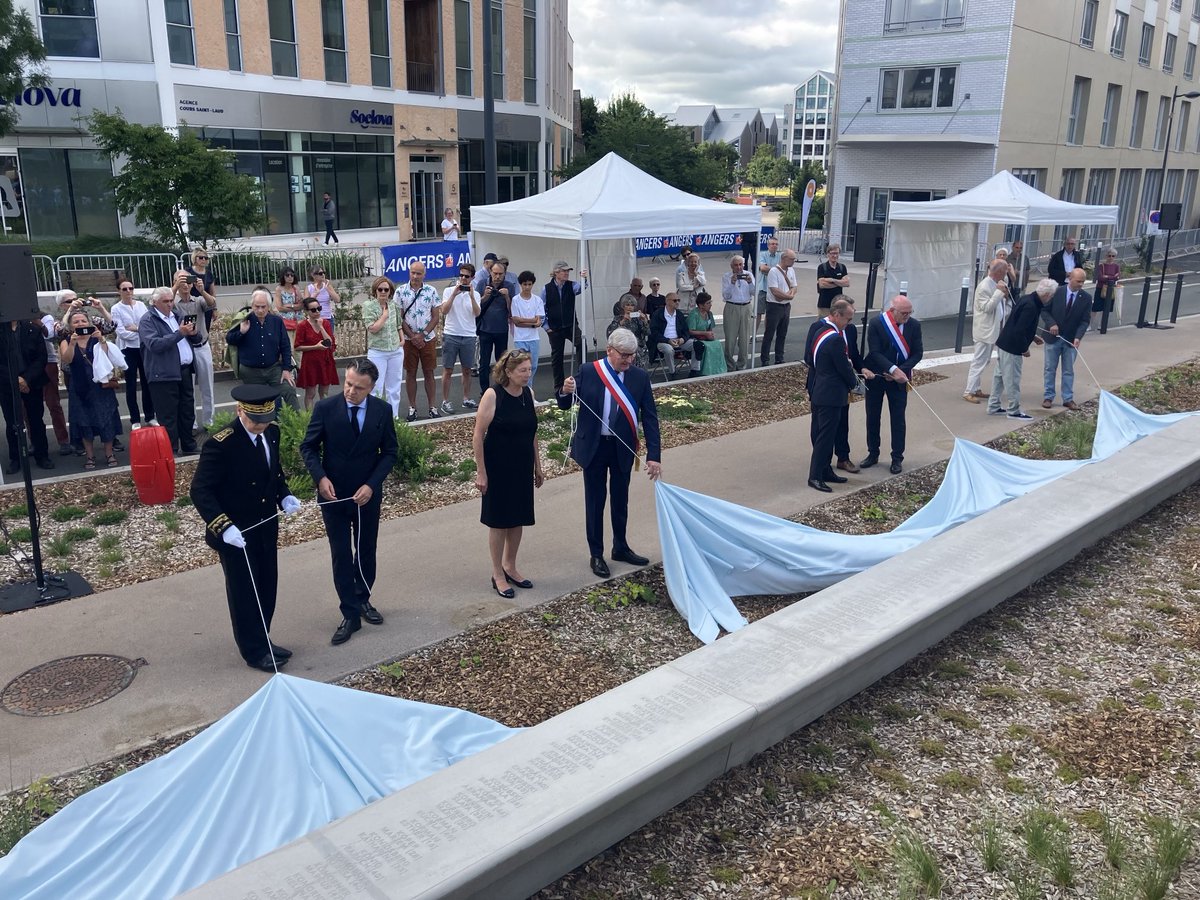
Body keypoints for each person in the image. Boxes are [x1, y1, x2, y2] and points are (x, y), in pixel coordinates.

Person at [191, 384, 303, 671]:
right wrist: (223, 526)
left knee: (267, 585)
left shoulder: (271, 433)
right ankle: (253, 651)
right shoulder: (221, 443)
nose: (261, 428)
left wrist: (284, 495)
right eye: (256, 422)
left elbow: (273, 473)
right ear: (240, 412)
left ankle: (262, 637)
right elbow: (200, 490)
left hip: (265, 525)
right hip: (236, 533)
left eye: (265, 422)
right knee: (244, 592)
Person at [301, 360, 399, 646]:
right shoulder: (325, 408)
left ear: (371, 388)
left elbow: (390, 452)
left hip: (366, 494)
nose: (351, 391)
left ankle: (363, 597)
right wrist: (320, 478)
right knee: (341, 553)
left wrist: (372, 484)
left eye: (359, 387)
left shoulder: (382, 411)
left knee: (366, 549)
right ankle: (349, 612)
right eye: (348, 384)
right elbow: (308, 446)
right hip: (334, 495)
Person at [557, 328, 662, 578]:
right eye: (623, 355)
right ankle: (596, 554)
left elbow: (649, 417)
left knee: (620, 499)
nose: (628, 360)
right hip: (594, 445)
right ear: (609, 351)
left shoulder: (639, 377)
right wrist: (565, 389)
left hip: (622, 447)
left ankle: (621, 547)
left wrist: (654, 455)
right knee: (595, 502)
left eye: (631, 355)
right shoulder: (589, 371)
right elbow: (564, 404)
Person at [473, 349, 544, 598]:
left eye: (529, 369)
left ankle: (510, 565)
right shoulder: (493, 395)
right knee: (499, 521)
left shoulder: (528, 393)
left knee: (518, 517)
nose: (527, 374)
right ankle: (497, 573)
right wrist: (481, 472)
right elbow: (477, 435)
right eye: (522, 370)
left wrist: (538, 464)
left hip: (522, 465)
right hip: (498, 467)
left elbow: (532, 431)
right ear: (508, 371)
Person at [804, 296, 871, 475]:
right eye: (848, 318)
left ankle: (839, 459)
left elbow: (853, 355)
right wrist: (851, 379)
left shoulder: (845, 330)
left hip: (836, 388)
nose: (849, 322)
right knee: (821, 430)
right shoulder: (822, 330)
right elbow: (810, 358)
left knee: (839, 424)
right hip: (825, 385)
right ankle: (820, 468)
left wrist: (860, 368)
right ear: (836, 313)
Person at [862, 296, 924, 475]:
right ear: (892, 311)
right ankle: (873, 453)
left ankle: (897, 457)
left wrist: (899, 372)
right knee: (873, 416)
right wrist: (891, 369)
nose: (907, 316)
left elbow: (917, 353)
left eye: (909, 313)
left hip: (899, 379)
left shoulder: (914, 326)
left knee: (898, 419)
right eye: (903, 313)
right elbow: (874, 352)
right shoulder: (877, 323)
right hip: (877, 376)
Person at [58, 310, 120, 470]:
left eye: (83, 321)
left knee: (106, 420)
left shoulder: (96, 338)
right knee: (84, 423)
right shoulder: (66, 340)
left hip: (100, 386)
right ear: (71, 325)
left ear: (89, 322)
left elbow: (108, 356)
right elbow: (66, 360)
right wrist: (72, 343)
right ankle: (90, 456)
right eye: (76, 321)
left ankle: (109, 453)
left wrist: (101, 339)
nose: (80, 324)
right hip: (80, 386)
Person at [141, 286, 198, 455]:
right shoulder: (147, 320)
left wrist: (193, 333)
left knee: (187, 411)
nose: (170, 304)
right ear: (155, 302)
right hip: (163, 374)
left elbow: (196, 338)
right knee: (168, 416)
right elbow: (155, 345)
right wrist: (179, 333)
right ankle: (170, 450)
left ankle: (189, 446)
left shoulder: (178, 315)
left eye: (171, 300)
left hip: (184, 371)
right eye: (165, 301)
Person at [227, 288, 300, 411]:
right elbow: (229, 339)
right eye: (257, 306)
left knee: (289, 391)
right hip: (251, 371)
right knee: (257, 404)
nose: (260, 310)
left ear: (268, 306)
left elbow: (285, 346)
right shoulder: (244, 319)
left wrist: (286, 369)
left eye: (263, 307)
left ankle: (297, 426)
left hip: (273, 369)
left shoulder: (276, 321)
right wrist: (241, 332)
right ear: (252, 306)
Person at [991, 278, 1054, 419]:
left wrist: (1033, 337)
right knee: (1012, 378)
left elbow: (1019, 322)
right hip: (1013, 346)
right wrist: (1024, 348)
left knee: (1000, 376)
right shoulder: (1032, 306)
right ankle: (1014, 410)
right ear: (1047, 295)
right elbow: (1020, 329)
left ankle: (994, 405)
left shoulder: (1027, 299)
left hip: (1004, 342)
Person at [0, 319, 54, 472]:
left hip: (32, 383)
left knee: (36, 420)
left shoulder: (32, 329)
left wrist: (26, 379)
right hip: (6, 384)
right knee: (12, 422)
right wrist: (14, 379)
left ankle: (42, 455)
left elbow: (41, 357)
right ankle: (15, 458)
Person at [172, 269, 216, 431]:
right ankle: (191, 423)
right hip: (184, 349)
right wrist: (175, 287)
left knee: (207, 387)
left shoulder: (198, 300)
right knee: (187, 389)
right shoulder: (172, 302)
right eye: (182, 281)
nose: (186, 284)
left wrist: (202, 289)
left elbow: (212, 304)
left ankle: (209, 421)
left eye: (188, 281)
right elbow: (160, 306)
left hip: (202, 346)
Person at [1041, 267, 1091, 411]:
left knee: (1068, 370)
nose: (1081, 284)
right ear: (1070, 279)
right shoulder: (1057, 291)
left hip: (1070, 340)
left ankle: (1067, 398)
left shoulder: (1086, 298)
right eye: (1078, 281)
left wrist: (1078, 337)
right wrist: (1052, 324)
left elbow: (1084, 321)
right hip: (1053, 337)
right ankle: (1048, 396)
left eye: (1083, 282)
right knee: (1050, 368)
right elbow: (1044, 310)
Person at [398, 261, 442, 421]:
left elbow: (436, 316)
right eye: (413, 272)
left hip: (427, 339)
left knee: (429, 372)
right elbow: (399, 316)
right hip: (409, 340)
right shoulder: (400, 291)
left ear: (425, 274)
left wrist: (422, 335)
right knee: (410, 373)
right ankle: (412, 407)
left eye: (418, 273)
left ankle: (432, 407)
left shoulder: (431, 291)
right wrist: (412, 335)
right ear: (409, 272)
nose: (415, 276)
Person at [963, 259, 1011, 404]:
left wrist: (1005, 293)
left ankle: (976, 388)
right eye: (1005, 271)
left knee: (985, 360)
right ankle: (968, 391)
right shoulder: (984, 286)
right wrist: (999, 292)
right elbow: (987, 308)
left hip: (994, 329)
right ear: (999, 272)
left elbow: (1003, 304)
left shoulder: (997, 283)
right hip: (984, 331)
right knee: (979, 361)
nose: (1006, 273)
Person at [109, 278, 154, 429]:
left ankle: (150, 416)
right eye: (124, 289)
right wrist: (139, 330)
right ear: (119, 291)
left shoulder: (141, 305)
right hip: (128, 349)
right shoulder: (116, 309)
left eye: (130, 288)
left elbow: (149, 326)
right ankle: (135, 419)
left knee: (147, 382)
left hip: (143, 347)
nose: (128, 292)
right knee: (131, 385)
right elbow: (121, 332)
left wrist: (137, 328)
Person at [440, 264, 481, 414]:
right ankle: (445, 401)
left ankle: (466, 399)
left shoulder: (475, 294)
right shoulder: (448, 290)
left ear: (472, 278)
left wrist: (470, 296)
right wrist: (454, 294)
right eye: (461, 275)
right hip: (451, 334)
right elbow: (444, 311)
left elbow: (477, 313)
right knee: (448, 369)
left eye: (467, 276)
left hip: (469, 335)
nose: (463, 278)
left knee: (467, 370)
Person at [362, 276, 404, 417]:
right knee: (376, 387)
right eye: (380, 289)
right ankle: (376, 418)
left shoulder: (394, 305)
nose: (383, 292)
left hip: (395, 350)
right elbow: (372, 328)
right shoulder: (369, 306)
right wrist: (384, 316)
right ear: (375, 290)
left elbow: (398, 325)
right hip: (377, 351)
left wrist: (402, 340)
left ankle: (394, 417)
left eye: (386, 289)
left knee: (394, 387)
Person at [542, 261, 586, 393]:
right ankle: (559, 387)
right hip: (555, 328)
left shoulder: (571, 285)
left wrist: (584, 278)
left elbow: (583, 287)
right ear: (556, 272)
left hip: (571, 325)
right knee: (557, 357)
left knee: (582, 344)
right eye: (564, 271)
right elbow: (541, 308)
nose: (567, 273)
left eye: (568, 271)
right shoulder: (546, 289)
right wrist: (546, 326)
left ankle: (582, 376)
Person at [476, 261, 514, 401]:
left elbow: (512, 311)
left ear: (505, 274)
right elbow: (475, 307)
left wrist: (506, 297)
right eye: (495, 273)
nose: (497, 277)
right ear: (490, 272)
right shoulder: (482, 284)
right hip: (485, 329)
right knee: (484, 363)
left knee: (501, 362)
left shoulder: (509, 286)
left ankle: (500, 388)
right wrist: (485, 296)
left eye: (500, 274)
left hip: (501, 329)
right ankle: (484, 391)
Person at [40, 297, 72, 455]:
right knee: (27, 407)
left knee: (53, 403)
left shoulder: (45, 317)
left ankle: (64, 440)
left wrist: (36, 322)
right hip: (25, 366)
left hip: (47, 361)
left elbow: (49, 335)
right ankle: (36, 443)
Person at [293, 298, 338, 409]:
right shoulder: (302, 326)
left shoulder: (326, 323)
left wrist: (321, 327)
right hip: (310, 362)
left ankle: (324, 418)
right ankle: (310, 419)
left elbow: (330, 342)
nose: (317, 312)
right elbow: (297, 347)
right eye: (313, 310)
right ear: (306, 311)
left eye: (319, 308)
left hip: (325, 361)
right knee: (310, 394)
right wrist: (315, 347)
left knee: (324, 393)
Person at [650, 290, 699, 379]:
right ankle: (672, 372)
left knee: (698, 345)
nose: (677, 302)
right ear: (667, 301)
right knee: (668, 350)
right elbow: (654, 332)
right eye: (675, 300)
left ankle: (694, 370)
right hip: (663, 341)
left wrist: (682, 339)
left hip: (679, 340)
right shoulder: (658, 314)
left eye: (678, 300)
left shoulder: (679, 314)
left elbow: (686, 331)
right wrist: (668, 340)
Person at [763, 248, 798, 366]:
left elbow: (794, 286)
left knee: (782, 333)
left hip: (786, 306)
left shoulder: (791, 270)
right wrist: (789, 296)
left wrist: (789, 295)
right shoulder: (773, 271)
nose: (793, 261)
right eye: (792, 259)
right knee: (769, 333)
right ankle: (765, 358)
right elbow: (775, 291)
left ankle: (779, 357)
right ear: (784, 258)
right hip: (774, 306)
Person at [721, 254, 755, 371]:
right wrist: (732, 283)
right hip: (732, 307)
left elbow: (754, 292)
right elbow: (725, 295)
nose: (738, 267)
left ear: (744, 265)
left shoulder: (749, 274)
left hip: (746, 307)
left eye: (740, 265)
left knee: (745, 338)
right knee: (730, 338)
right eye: (736, 265)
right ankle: (729, 365)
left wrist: (750, 282)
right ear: (731, 266)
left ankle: (742, 365)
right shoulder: (726, 276)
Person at [510, 270, 545, 377]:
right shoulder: (515, 300)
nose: (527, 287)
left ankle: (528, 388)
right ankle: (523, 389)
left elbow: (538, 321)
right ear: (521, 284)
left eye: (529, 284)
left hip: (534, 338)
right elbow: (516, 322)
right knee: (521, 366)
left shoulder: (537, 300)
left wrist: (523, 320)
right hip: (520, 338)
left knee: (533, 366)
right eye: (525, 284)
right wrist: (532, 321)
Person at [687, 292, 727, 377]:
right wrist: (705, 333)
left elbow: (710, 328)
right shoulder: (694, 314)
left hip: (706, 337)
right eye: (708, 303)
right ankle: (704, 370)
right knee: (706, 346)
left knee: (717, 344)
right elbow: (690, 331)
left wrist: (711, 334)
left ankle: (716, 369)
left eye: (710, 302)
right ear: (701, 305)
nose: (710, 305)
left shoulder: (709, 314)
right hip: (695, 338)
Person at [607, 293, 651, 369]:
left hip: (640, 348)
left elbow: (648, 332)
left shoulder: (637, 318)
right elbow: (610, 334)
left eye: (632, 305)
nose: (630, 307)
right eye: (627, 305)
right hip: (624, 349)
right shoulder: (618, 319)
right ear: (623, 306)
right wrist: (622, 321)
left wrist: (645, 321)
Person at [185, 248, 217, 333]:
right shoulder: (188, 271)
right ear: (195, 258)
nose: (203, 260)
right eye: (201, 257)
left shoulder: (209, 273)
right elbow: (184, 287)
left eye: (206, 258)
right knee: (191, 328)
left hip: (206, 304)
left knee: (205, 329)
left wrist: (214, 309)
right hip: (191, 304)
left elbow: (212, 293)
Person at [757, 234, 783, 334]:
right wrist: (776, 270)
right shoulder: (762, 255)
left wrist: (770, 270)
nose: (774, 246)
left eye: (776, 244)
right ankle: (753, 334)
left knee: (770, 314)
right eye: (772, 244)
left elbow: (784, 270)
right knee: (758, 313)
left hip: (774, 289)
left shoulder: (781, 256)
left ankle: (767, 335)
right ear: (768, 246)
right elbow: (763, 268)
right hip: (763, 288)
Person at [816, 244, 849, 316]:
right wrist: (839, 282)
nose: (835, 256)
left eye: (837, 253)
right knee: (824, 325)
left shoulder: (842, 267)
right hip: (825, 304)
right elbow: (822, 284)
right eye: (833, 253)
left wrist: (833, 280)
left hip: (838, 304)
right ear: (828, 254)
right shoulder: (822, 267)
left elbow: (847, 283)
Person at [305, 267, 339, 332]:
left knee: (329, 340)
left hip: (327, 317)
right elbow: (306, 304)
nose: (323, 275)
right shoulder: (309, 288)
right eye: (320, 273)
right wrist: (315, 293)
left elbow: (337, 300)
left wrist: (327, 289)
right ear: (313, 275)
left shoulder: (327, 286)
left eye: (324, 273)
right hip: (314, 318)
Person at [1093, 250, 1120, 330]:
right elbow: (1100, 278)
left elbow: (1117, 277)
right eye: (1109, 256)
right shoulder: (1101, 266)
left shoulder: (1116, 266)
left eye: (1113, 256)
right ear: (1106, 256)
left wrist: (1107, 277)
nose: (1111, 258)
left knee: (1106, 308)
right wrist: (1111, 277)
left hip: (1110, 289)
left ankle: (1102, 325)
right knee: (1095, 308)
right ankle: (1090, 324)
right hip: (1100, 288)